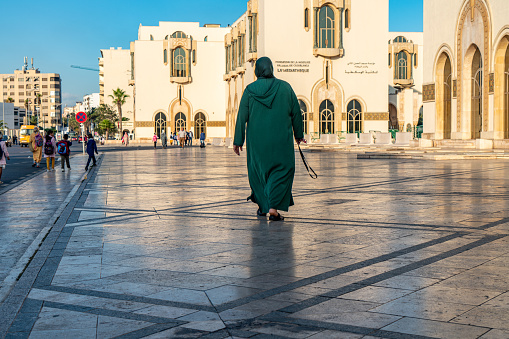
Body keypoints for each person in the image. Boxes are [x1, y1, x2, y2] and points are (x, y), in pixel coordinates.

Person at [233, 57, 304, 222]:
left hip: (257, 143)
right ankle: (272, 207)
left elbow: (241, 116)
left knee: (259, 174)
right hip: (281, 142)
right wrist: (299, 134)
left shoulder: (250, 90)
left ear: (257, 70)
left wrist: (238, 140)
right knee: (282, 171)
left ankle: (262, 207)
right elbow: (296, 112)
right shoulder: (285, 88)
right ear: (271, 68)